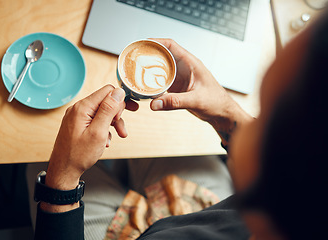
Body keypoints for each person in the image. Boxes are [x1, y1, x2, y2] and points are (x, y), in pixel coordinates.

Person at [30, 12, 328, 240]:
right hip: (202, 210)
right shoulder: (307, 206)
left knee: (33, 161)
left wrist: (62, 181)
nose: (245, 122)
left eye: (262, 117)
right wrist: (224, 112)